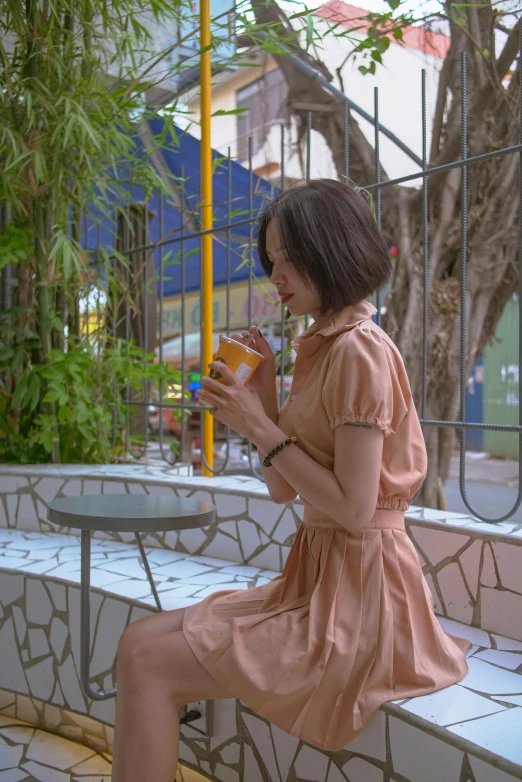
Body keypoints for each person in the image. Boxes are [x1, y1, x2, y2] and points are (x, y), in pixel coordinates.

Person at [111, 179, 470, 782]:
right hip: (318, 577)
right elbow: (285, 490)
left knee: (148, 661)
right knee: (136, 642)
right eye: (272, 260)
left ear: (332, 250)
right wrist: (263, 406)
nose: (276, 275)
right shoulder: (321, 346)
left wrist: (258, 423)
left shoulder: (361, 351)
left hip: (363, 597)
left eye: (290, 258)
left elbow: (357, 510)